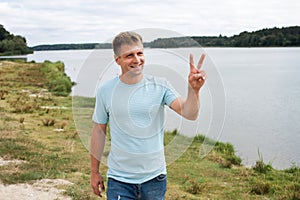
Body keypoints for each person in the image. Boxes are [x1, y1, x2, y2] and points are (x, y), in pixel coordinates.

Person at [90, 31, 206, 199]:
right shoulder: (105, 91)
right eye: (129, 55)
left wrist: (193, 90)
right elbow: (98, 132)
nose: (137, 60)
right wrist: (94, 172)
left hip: (155, 179)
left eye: (140, 53)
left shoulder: (161, 86)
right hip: (119, 180)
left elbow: (189, 113)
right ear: (117, 60)